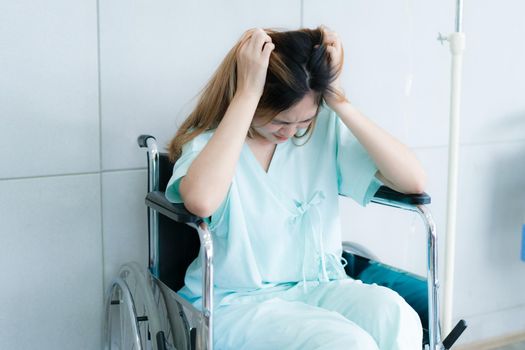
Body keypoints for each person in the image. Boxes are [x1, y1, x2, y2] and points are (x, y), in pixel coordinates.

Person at [166, 26, 426, 350]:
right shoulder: (210, 143)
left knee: (397, 319)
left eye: (304, 121)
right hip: (238, 303)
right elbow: (201, 201)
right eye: (279, 121)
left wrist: (338, 99)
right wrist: (246, 93)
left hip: (320, 287)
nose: (291, 132)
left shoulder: (322, 132)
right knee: (348, 344)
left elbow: (413, 180)